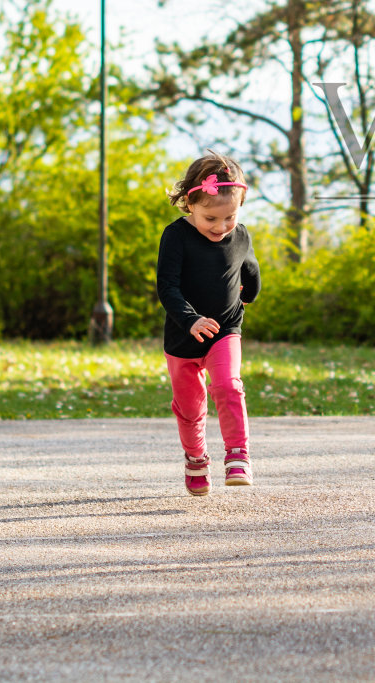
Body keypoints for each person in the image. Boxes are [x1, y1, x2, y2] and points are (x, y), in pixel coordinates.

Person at [157, 152, 260, 495]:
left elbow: (249, 270)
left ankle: (238, 454)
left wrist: (251, 294)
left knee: (228, 385)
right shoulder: (175, 237)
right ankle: (196, 458)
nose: (220, 227)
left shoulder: (241, 235)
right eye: (210, 218)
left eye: (229, 216)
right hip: (182, 338)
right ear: (190, 204)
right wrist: (191, 319)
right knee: (189, 408)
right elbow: (167, 287)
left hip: (225, 330)